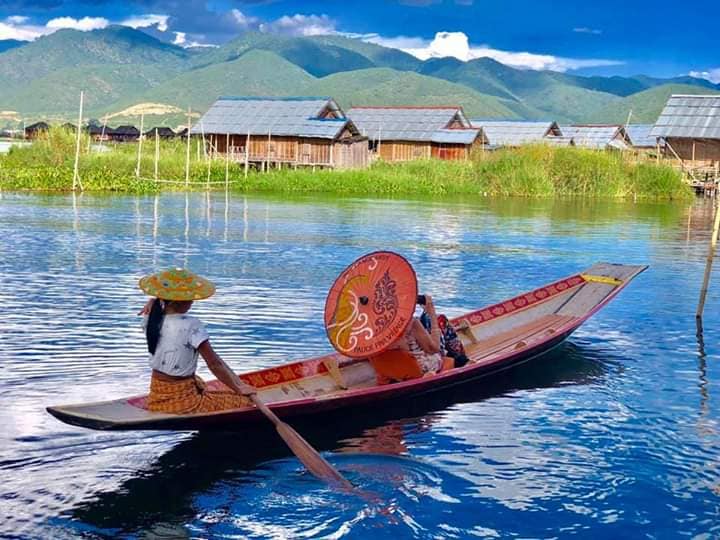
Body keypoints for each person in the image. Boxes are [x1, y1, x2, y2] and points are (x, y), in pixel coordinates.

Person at [137, 268, 256, 414]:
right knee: (245, 402)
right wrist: (239, 388)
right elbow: (214, 364)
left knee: (202, 383)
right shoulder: (191, 324)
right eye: (189, 298)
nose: (192, 301)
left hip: (157, 395)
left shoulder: (150, 319)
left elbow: (159, 309)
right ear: (178, 301)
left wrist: (154, 300)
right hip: (183, 402)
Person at [369, 294, 452, 384]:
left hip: (390, 371)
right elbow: (434, 349)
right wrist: (432, 313)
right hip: (418, 369)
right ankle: (462, 360)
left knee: (426, 321)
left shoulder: (366, 332)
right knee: (441, 321)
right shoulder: (410, 323)